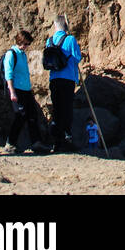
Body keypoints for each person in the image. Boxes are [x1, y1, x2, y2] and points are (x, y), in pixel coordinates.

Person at [2, 32, 48, 155]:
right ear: (20, 41)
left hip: (26, 90)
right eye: (25, 44)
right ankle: (10, 143)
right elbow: (8, 74)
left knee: (32, 115)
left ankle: (36, 143)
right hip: (16, 90)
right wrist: (12, 92)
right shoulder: (11, 54)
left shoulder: (22, 54)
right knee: (20, 116)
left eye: (28, 44)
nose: (27, 46)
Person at [45, 15, 82, 152]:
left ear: (55, 26)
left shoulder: (49, 41)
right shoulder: (70, 39)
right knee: (67, 109)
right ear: (66, 25)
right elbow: (77, 58)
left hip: (54, 79)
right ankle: (67, 138)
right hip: (67, 79)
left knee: (57, 109)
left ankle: (56, 141)